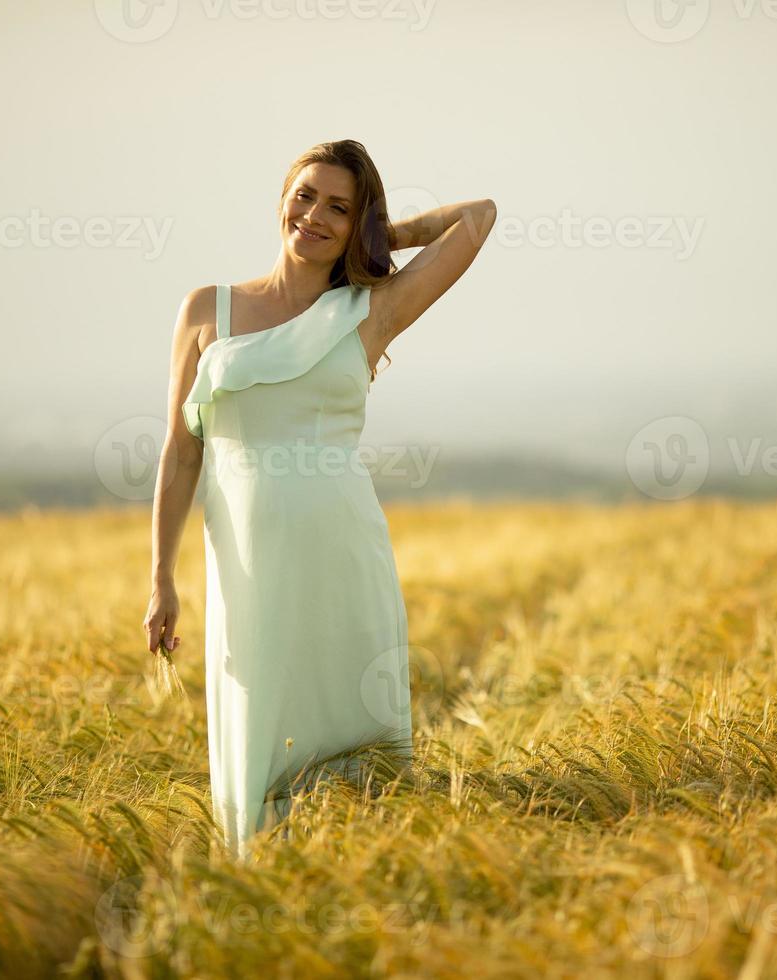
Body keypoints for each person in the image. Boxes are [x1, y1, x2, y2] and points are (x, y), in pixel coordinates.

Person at [143, 138, 496, 861]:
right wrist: (161, 578)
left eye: (339, 207)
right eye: (305, 196)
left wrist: (376, 237)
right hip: (247, 566)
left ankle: (367, 886)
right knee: (263, 728)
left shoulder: (372, 309)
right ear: (280, 199)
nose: (314, 215)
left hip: (344, 556)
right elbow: (181, 453)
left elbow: (480, 218)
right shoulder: (206, 309)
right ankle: (262, 890)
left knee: (351, 742)